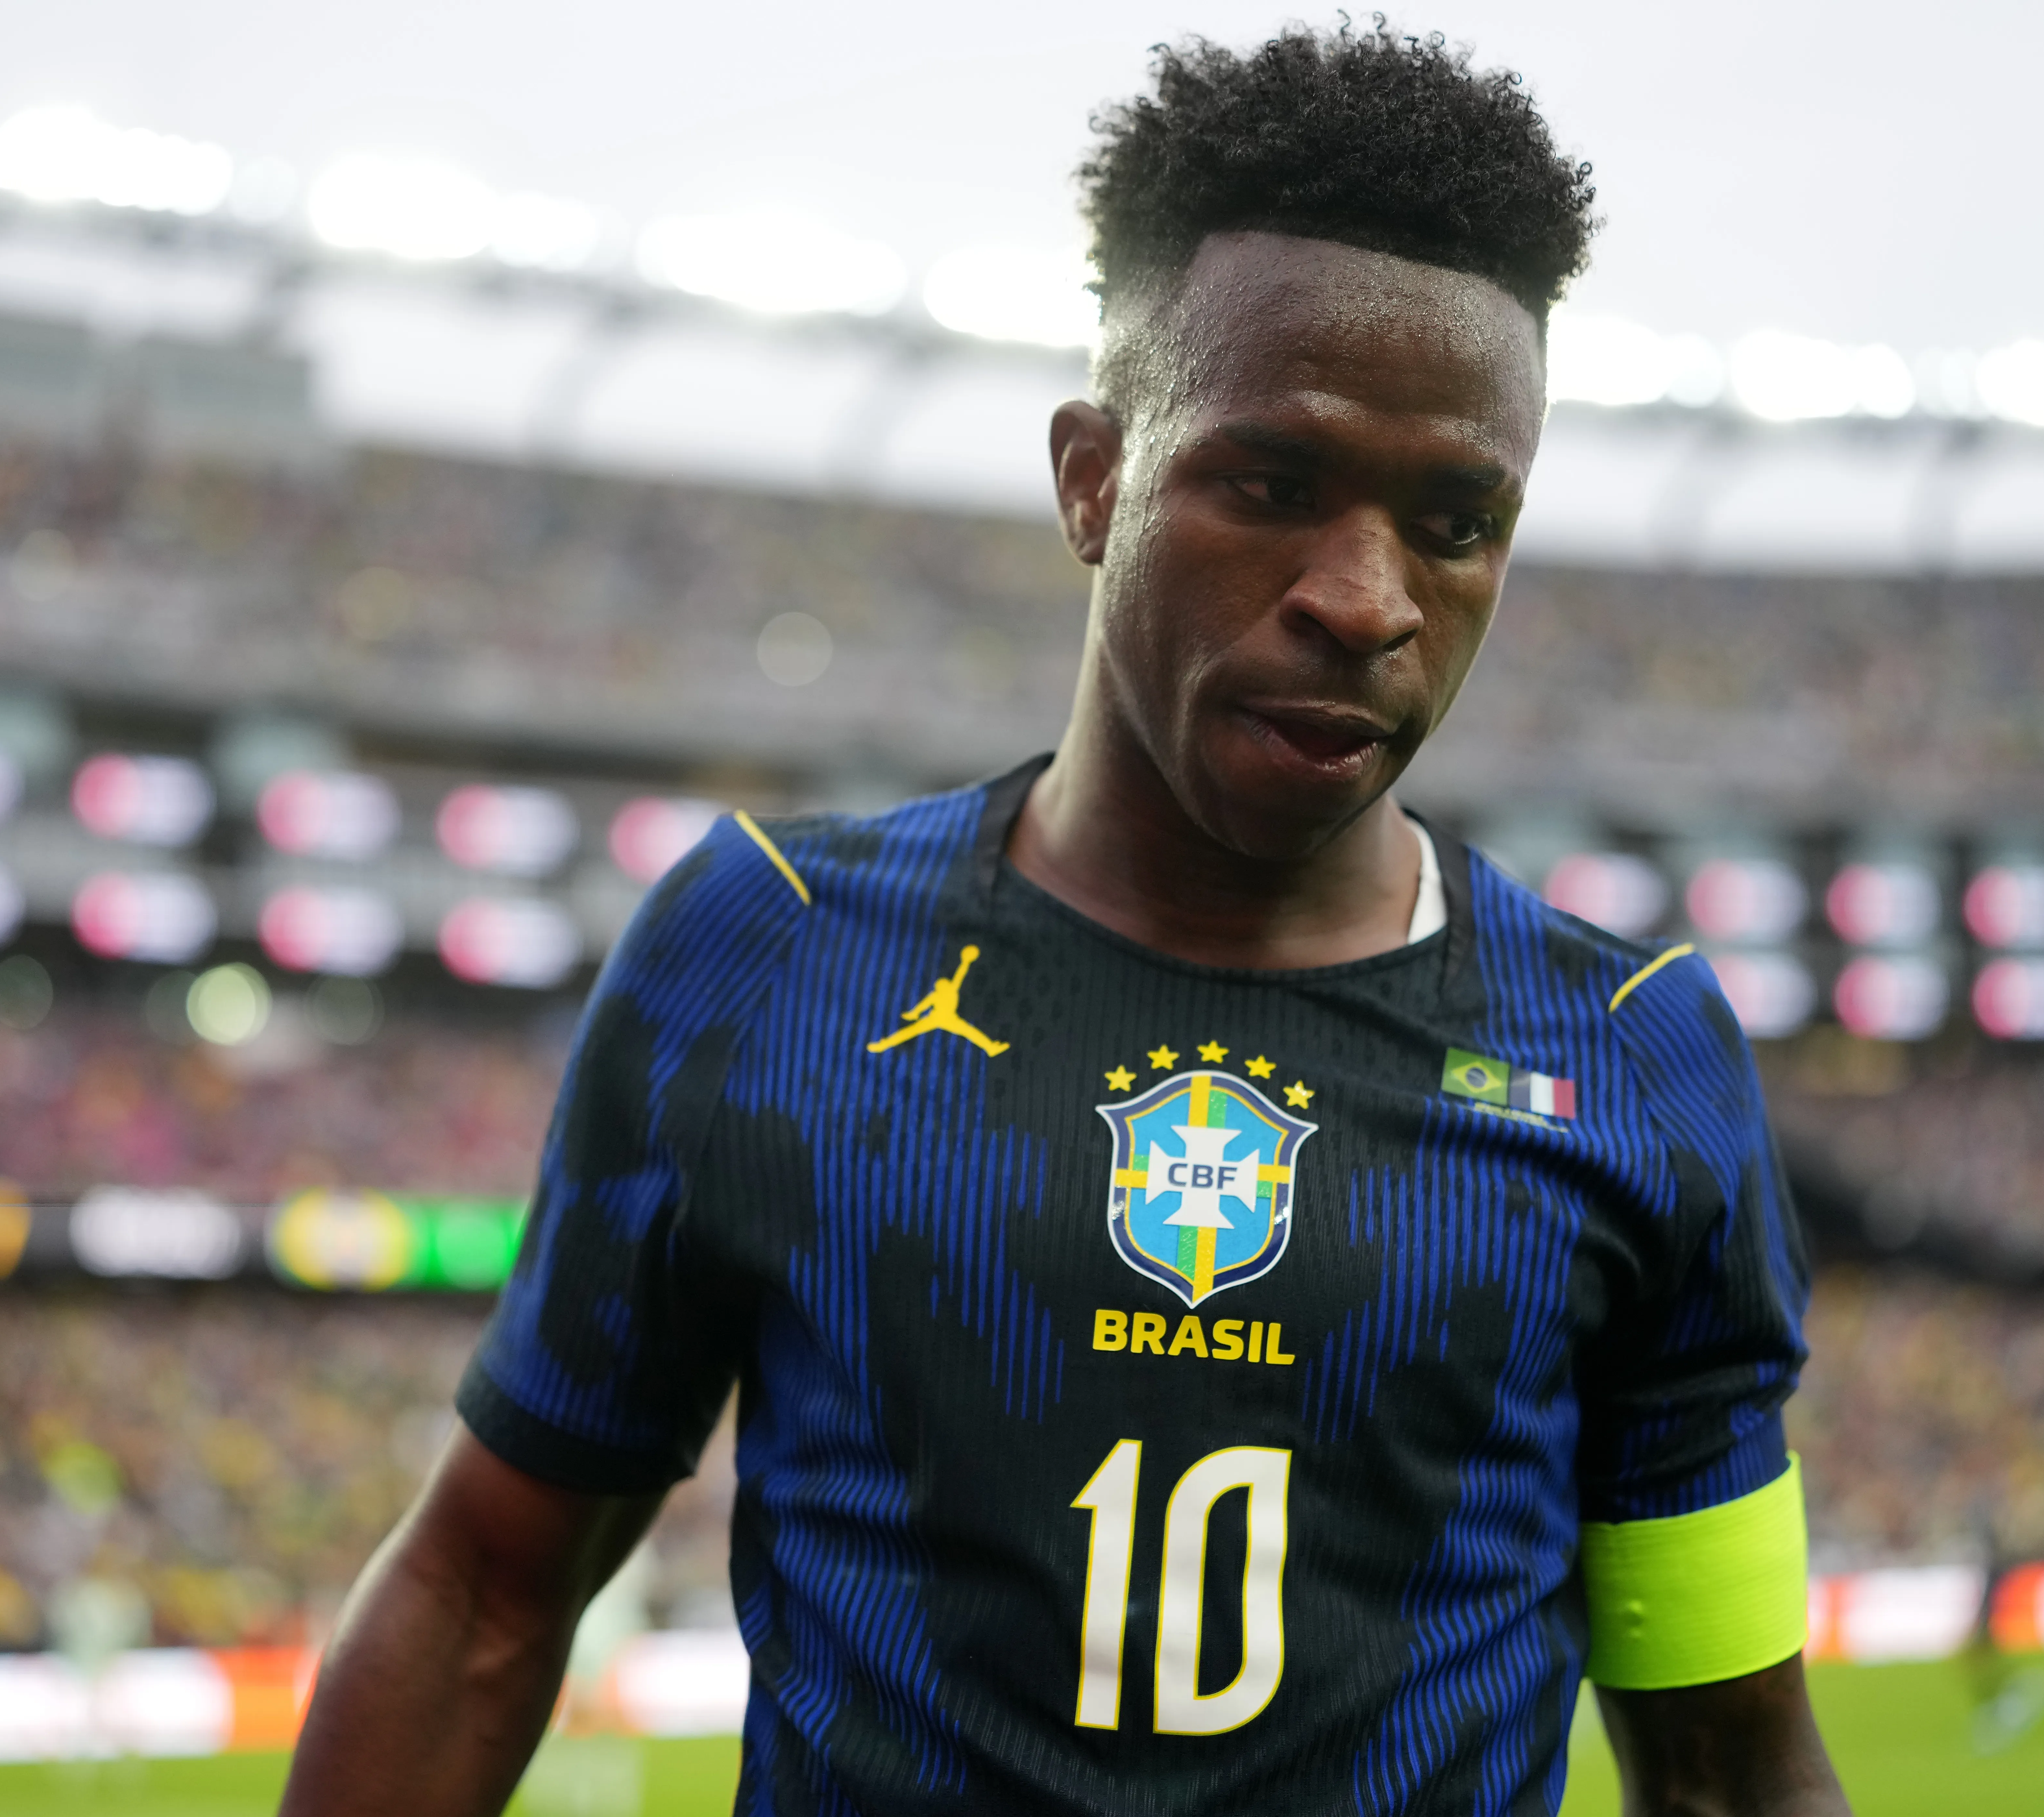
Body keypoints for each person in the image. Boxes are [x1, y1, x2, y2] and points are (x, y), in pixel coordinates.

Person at [284, 24, 1847, 1817]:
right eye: (1269, 484)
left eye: (1454, 519)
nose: (1364, 598)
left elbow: (1727, 1765)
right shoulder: (771, 947)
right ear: (1094, 477)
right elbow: (487, 1590)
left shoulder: (1632, 1058)